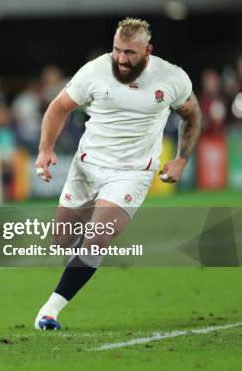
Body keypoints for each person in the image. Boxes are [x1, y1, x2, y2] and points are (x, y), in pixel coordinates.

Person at [33, 18, 202, 330]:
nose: (121, 59)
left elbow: (192, 116)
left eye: (130, 53)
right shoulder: (95, 71)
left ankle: (49, 312)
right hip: (87, 165)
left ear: (148, 50)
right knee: (62, 241)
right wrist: (45, 150)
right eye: (117, 51)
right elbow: (58, 107)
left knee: (97, 239)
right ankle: (83, 260)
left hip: (132, 173)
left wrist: (181, 159)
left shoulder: (172, 78)